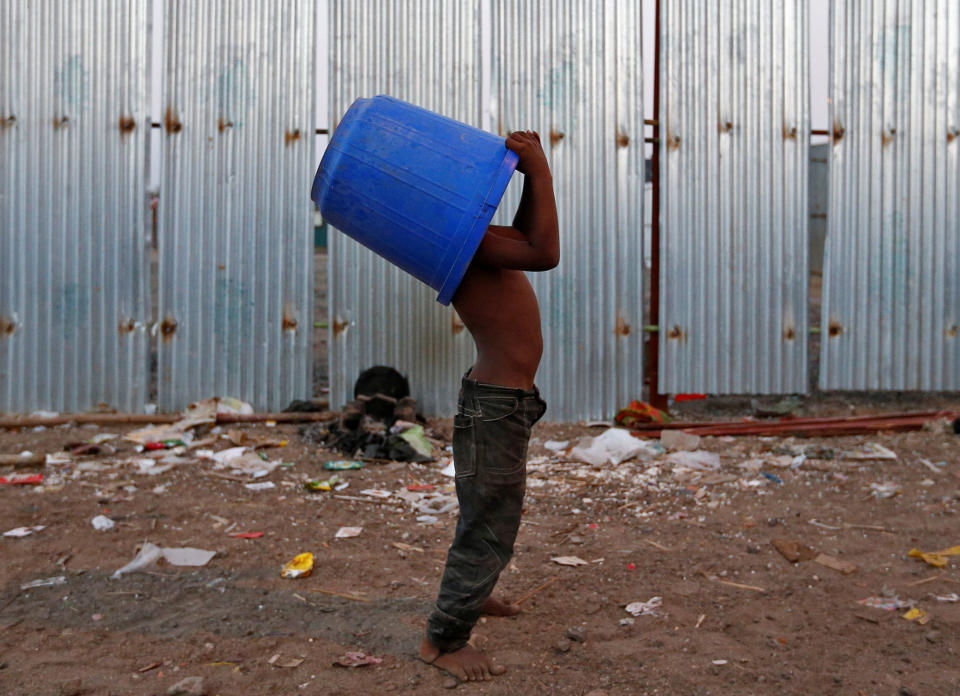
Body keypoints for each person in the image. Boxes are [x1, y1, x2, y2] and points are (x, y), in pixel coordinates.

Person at [419, 130, 560, 682]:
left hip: (504, 404)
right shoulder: (457, 238)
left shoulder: (472, 235)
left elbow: (528, 235)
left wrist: (528, 179)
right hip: (495, 407)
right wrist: (540, 171)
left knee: (492, 513)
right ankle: (443, 640)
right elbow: (543, 251)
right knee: (489, 523)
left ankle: (473, 595)